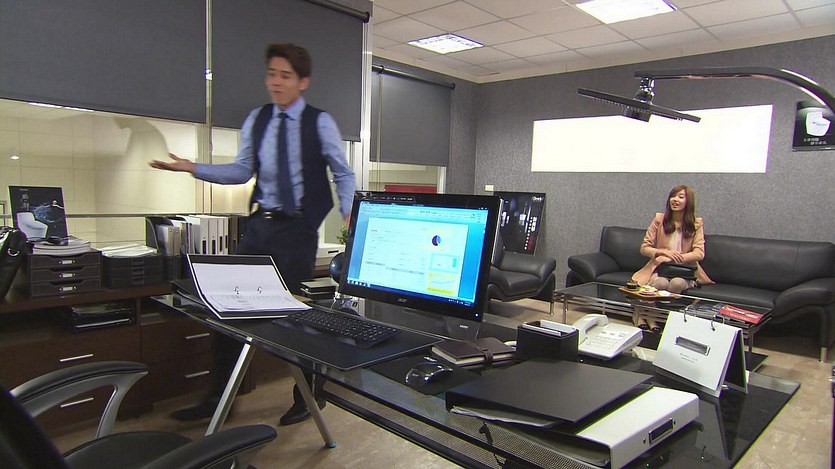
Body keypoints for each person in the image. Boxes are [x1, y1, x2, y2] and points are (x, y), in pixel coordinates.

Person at [150, 43, 356, 426]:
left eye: (285, 75)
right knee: (226, 306)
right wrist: (193, 168)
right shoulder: (257, 119)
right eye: (272, 74)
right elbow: (241, 171)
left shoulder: (319, 122)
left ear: (303, 82)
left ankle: (308, 396)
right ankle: (220, 399)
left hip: (298, 230)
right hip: (260, 226)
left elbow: (342, 173)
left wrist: (348, 212)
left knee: (294, 316)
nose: (276, 82)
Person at [632, 185, 713, 294]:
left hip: (685, 270)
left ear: (688, 202)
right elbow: (644, 248)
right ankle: (653, 305)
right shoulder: (659, 220)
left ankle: (671, 306)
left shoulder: (696, 224)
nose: (675, 199)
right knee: (661, 283)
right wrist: (664, 252)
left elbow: (699, 253)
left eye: (680, 197)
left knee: (677, 283)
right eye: (673, 196)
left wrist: (677, 257)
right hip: (661, 268)